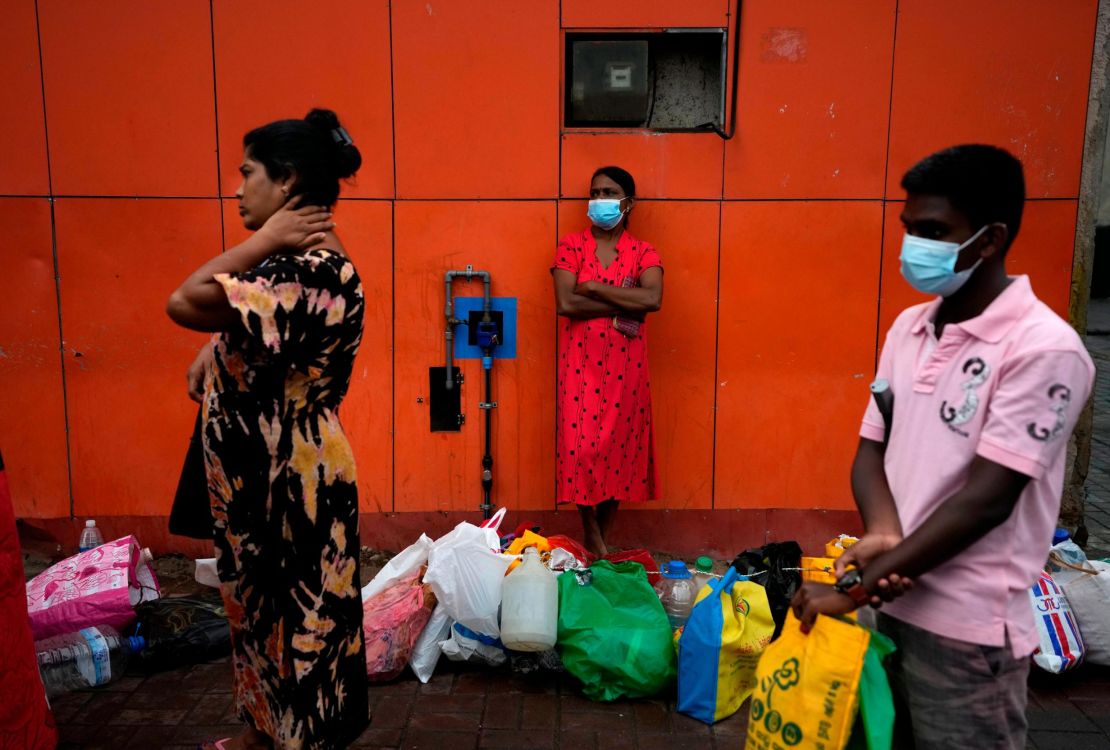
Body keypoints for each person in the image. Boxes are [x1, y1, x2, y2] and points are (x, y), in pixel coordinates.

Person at [791, 144, 1095, 749]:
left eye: (933, 231)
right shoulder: (908, 327)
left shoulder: (1044, 350)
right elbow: (872, 448)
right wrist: (881, 535)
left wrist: (852, 591)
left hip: (967, 634)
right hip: (889, 604)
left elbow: (987, 500)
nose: (914, 247)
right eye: (910, 228)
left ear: (990, 239)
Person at [167, 109, 368, 750]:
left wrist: (261, 240)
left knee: (300, 624)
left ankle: (298, 741)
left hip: (291, 481)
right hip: (263, 475)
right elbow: (245, 325)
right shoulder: (288, 271)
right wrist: (218, 347)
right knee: (258, 615)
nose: (236, 188)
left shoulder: (304, 270)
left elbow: (184, 299)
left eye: (247, 173)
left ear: (285, 183)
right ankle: (264, 735)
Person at [551, 166, 663, 557]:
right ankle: (591, 532)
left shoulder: (644, 251)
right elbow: (566, 302)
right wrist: (620, 305)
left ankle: (601, 542)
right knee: (581, 449)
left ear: (627, 202)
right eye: (595, 191)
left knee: (620, 448)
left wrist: (596, 288)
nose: (599, 198)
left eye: (609, 192)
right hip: (579, 367)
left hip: (627, 369)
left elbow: (651, 299)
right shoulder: (570, 246)